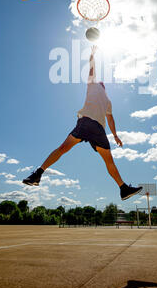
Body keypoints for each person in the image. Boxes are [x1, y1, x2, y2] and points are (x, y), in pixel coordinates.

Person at [23, 46, 142, 200]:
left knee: (66, 149)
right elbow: (91, 71)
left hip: (94, 127)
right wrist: (92, 56)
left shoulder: (107, 100)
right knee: (73, 151)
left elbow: (110, 119)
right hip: (91, 125)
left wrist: (116, 135)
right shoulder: (93, 86)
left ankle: (123, 188)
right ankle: (123, 187)